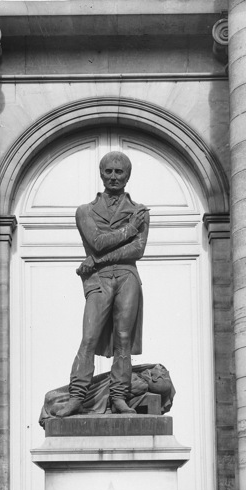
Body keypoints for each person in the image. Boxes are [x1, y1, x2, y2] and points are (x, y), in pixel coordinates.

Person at [55, 151, 150, 417]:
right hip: (99, 280)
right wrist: (129, 229)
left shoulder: (139, 210)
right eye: (108, 171)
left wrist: (96, 260)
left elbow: (137, 251)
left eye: (119, 172)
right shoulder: (85, 211)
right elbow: (96, 241)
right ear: (101, 174)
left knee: (123, 339)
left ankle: (119, 397)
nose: (113, 176)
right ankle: (77, 396)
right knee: (89, 337)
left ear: (128, 176)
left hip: (126, 277)